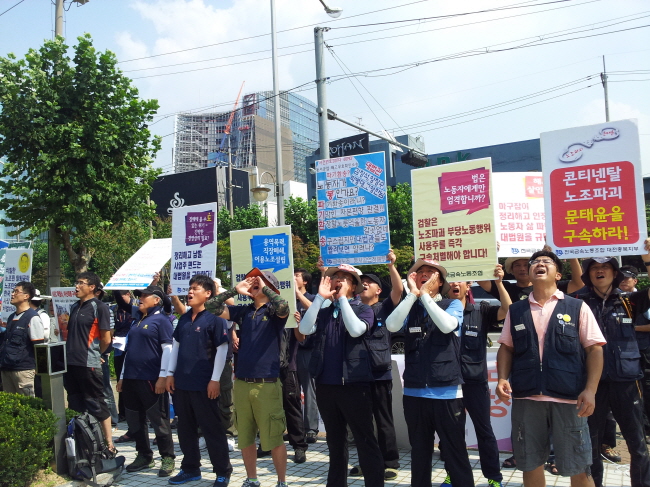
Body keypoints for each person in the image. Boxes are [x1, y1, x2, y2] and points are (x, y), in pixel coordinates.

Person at [496, 250, 605, 487]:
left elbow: (594, 350)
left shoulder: (577, 307)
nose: (539, 264)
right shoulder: (516, 310)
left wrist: (590, 390)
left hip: (569, 398)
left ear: (558, 275)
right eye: (535, 262)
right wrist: (502, 378)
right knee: (530, 463)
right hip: (527, 397)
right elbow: (506, 348)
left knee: (578, 465)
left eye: (546, 262)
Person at [386, 259, 473, 487]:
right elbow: (392, 326)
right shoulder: (410, 306)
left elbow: (447, 326)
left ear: (441, 282)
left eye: (430, 272)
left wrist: (424, 295)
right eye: (420, 272)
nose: (424, 274)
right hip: (414, 393)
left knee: (455, 451)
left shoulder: (452, 304)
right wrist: (412, 296)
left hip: (447, 393)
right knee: (419, 452)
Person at [300, 264, 385, 487]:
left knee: (365, 439)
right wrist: (320, 298)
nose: (338, 280)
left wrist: (343, 299)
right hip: (326, 385)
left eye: (344, 278)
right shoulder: (325, 311)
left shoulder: (364, 309)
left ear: (354, 286)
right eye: (335, 277)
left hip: (355, 386)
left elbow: (356, 330)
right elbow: (305, 329)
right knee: (335, 443)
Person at [571, 255, 650, 487]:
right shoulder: (576, 302)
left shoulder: (628, 301)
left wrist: (648, 260)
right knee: (591, 444)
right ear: (588, 274)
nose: (600, 271)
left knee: (637, 444)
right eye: (595, 267)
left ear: (615, 274)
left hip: (627, 381)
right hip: (591, 385)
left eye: (605, 267)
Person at [208, 269, 290, 487]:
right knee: (245, 436)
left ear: (270, 288)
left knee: (274, 437)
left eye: (260, 281)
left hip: (267, 384)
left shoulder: (274, 312)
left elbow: (284, 307)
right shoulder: (243, 311)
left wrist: (266, 290)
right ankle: (252, 479)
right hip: (242, 382)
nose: (254, 283)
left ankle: (281, 481)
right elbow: (211, 306)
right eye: (253, 280)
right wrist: (234, 290)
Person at [442, 265, 511, 487]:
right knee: (451, 434)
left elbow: (507, 309)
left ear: (468, 285)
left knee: (484, 431)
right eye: (451, 280)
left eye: (459, 280)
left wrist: (498, 283)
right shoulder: (439, 312)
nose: (455, 284)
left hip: (475, 383)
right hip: (449, 384)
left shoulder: (481, 311)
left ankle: (494, 478)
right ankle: (452, 474)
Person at [166, 274, 233, 487]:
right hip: (182, 383)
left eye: (195, 289)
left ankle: (222, 471)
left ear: (208, 294)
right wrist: (170, 373)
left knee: (212, 429)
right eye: (190, 288)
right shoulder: (185, 318)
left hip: (205, 384)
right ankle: (190, 468)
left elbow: (222, 349)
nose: (190, 292)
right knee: (185, 430)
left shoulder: (215, 317)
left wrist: (215, 380)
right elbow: (176, 346)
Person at [348, 250, 402, 481]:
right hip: (356, 374)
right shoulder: (352, 309)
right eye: (362, 282)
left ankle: (390, 462)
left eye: (369, 283)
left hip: (379, 374)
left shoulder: (385, 307)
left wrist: (391, 266)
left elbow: (398, 291)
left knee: (383, 420)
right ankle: (366, 462)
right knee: (361, 423)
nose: (364, 285)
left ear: (379, 290)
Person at [115, 284, 176, 477]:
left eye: (144, 296)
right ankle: (144, 455)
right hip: (131, 378)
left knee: (159, 420)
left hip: (151, 378)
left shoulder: (162, 320)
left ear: (157, 300)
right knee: (134, 420)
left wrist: (163, 376)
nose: (140, 298)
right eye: (140, 295)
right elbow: (129, 350)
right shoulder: (137, 321)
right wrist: (122, 377)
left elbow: (168, 349)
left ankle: (167, 457)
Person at [63, 272, 117, 455]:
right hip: (71, 363)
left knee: (96, 402)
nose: (76, 286)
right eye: (76, 282)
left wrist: (97, 354)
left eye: (81, 283)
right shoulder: (74, 306)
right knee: (75, 402)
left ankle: (109, 443)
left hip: (88, 363)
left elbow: (106, 338)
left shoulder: (99, 307)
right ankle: (82, 442)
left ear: (92, 287)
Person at [0, 281, 44, 397]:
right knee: (10, 404)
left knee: (26, 403)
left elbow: (39, 346)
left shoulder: (32, 317)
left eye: (16, 291)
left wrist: (39, 369)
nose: (12, 294)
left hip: (23, 370)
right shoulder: (11, 317)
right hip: (6, 368)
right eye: (13, 291)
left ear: (26, 296)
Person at [293, 268, 319, 444]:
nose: (293, 278)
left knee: (309, 390)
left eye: (297, 276)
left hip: (308, 349)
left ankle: (311, 428)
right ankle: (295, 428)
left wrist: (297, 293)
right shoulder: (287, 299)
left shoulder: (312, 298)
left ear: (305, 282)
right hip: (290, 349)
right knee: (292, 391)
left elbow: (315, 311)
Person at [112, 289, 137, 443]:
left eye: (123, 295)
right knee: (122, 384)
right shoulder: (114, 309)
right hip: (119, 348)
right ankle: (124, 414)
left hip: (135, 351)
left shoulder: (137, 308)